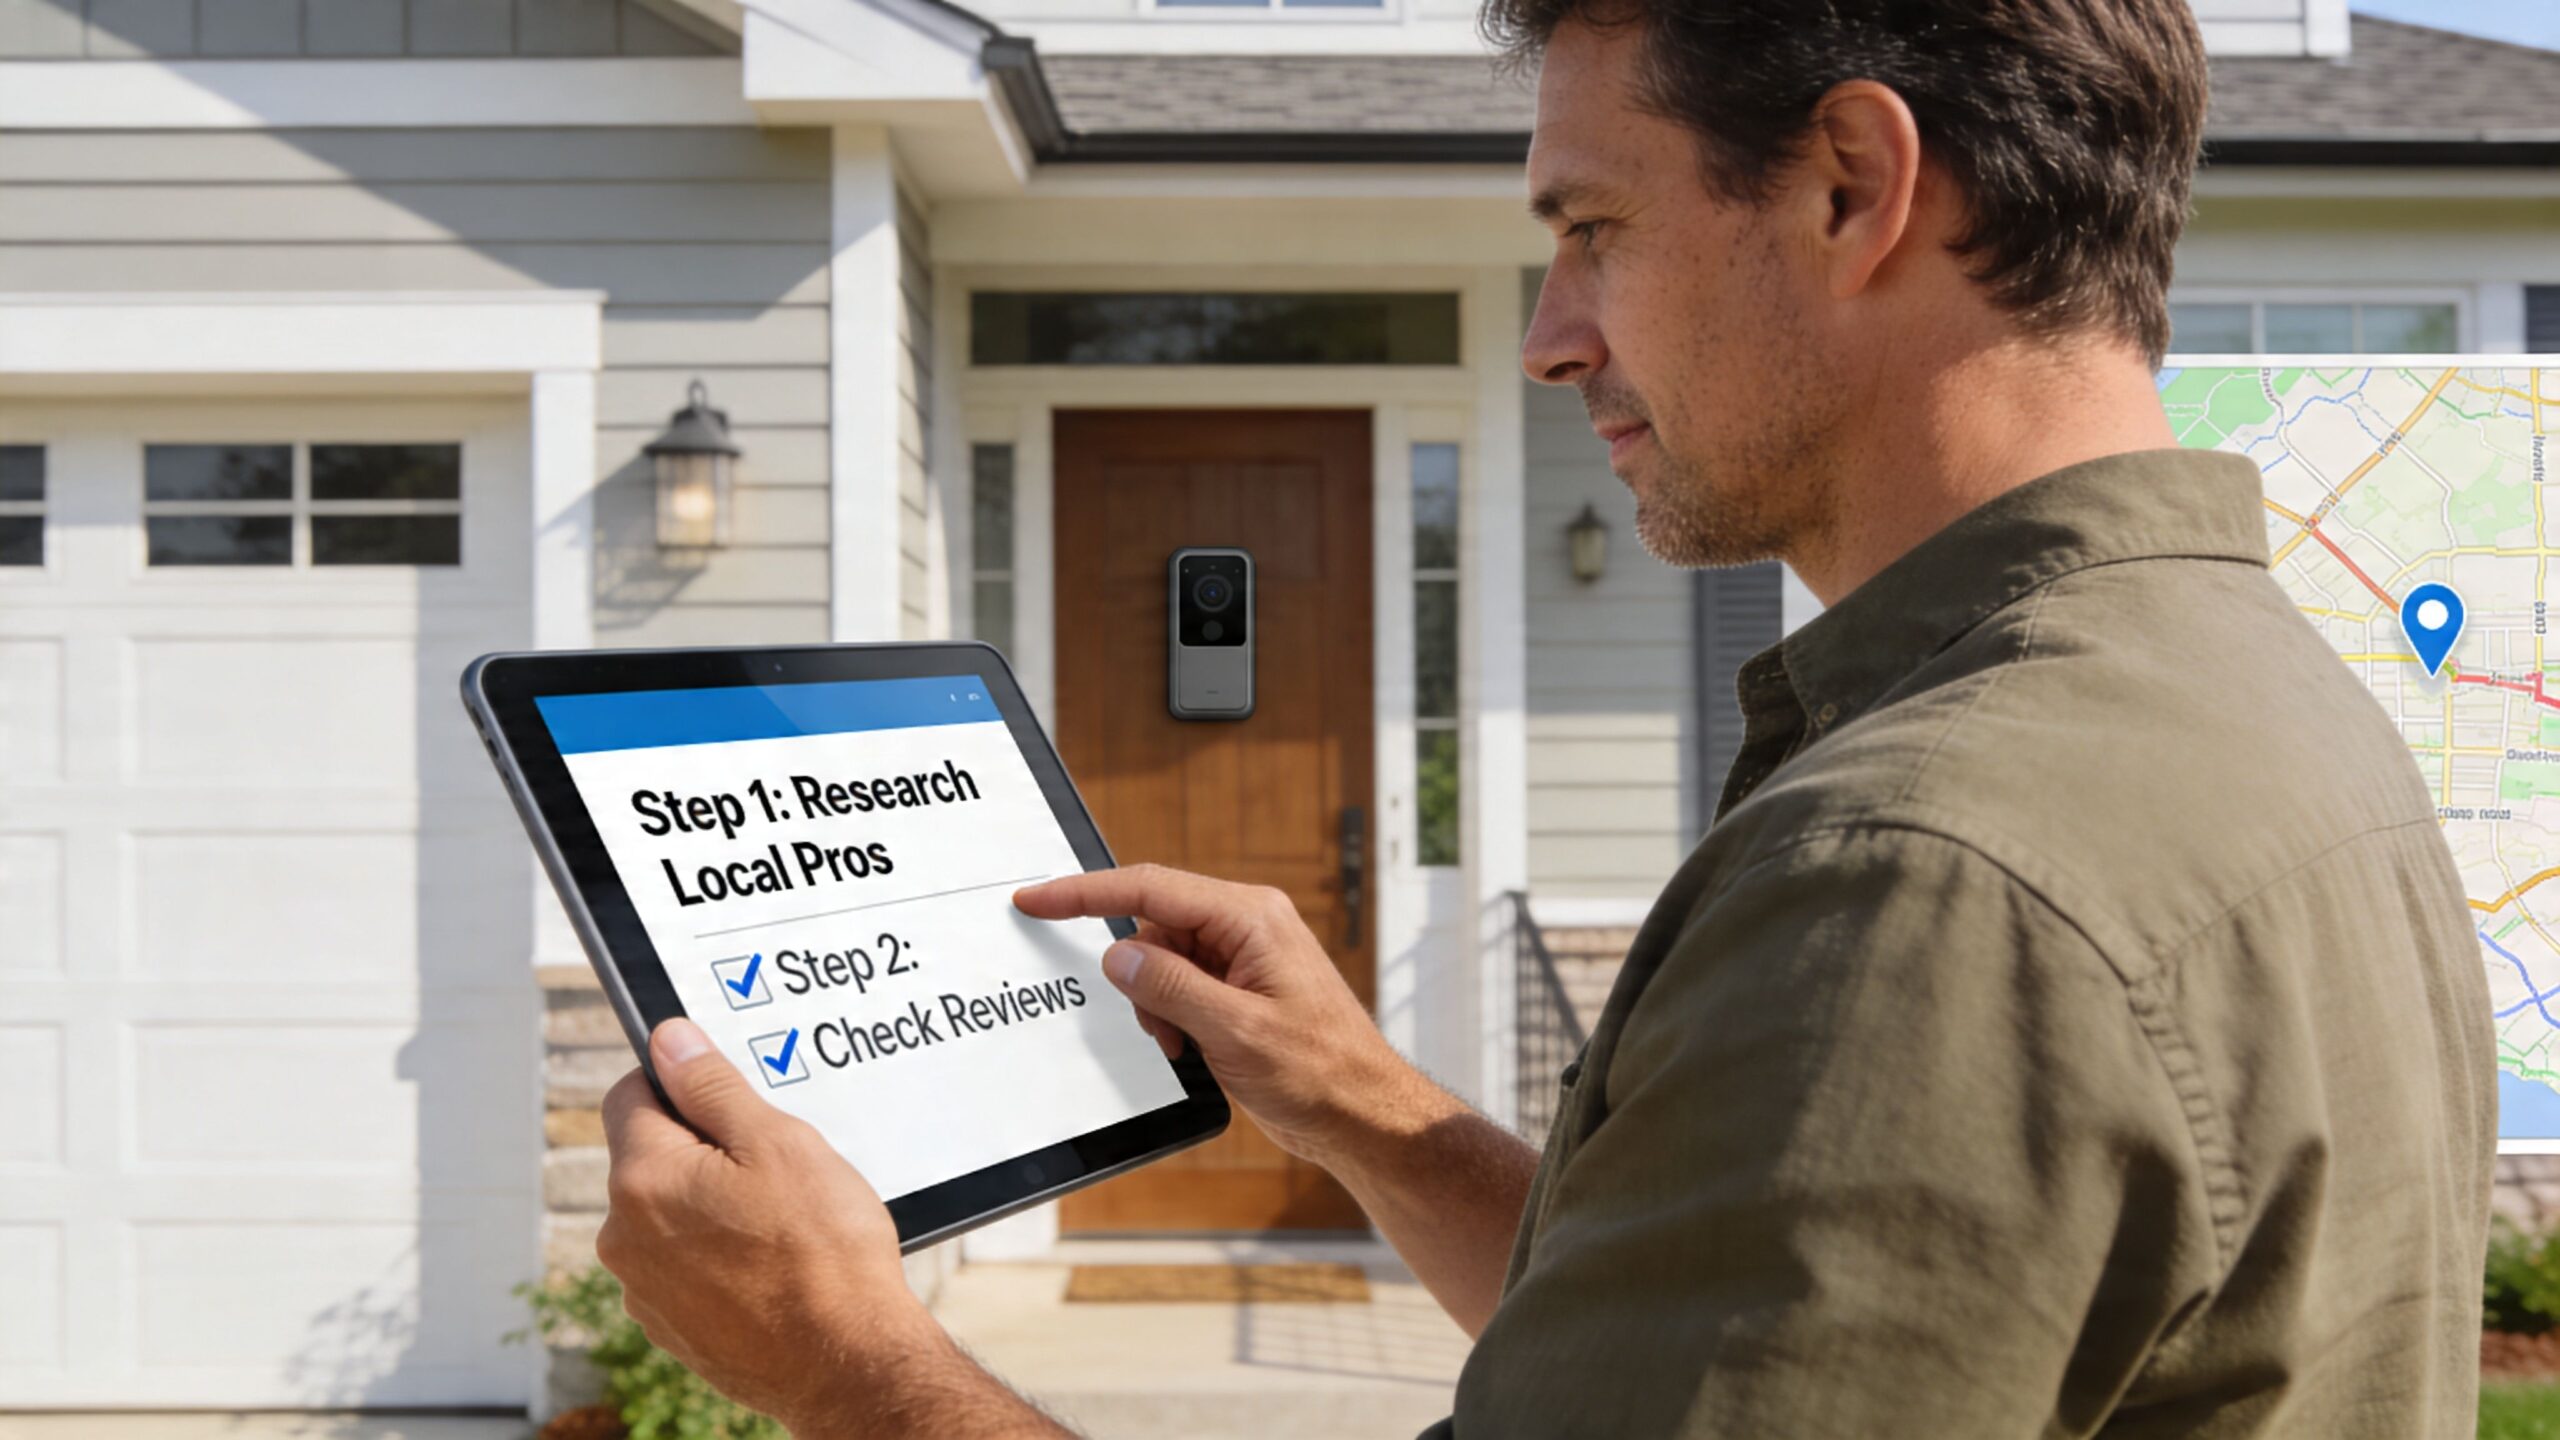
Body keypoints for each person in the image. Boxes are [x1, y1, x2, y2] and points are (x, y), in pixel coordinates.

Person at [593, 0, 2499, 1433]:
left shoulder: (1929, 874)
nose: (1549, 332)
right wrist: (1380, 1118)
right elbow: (1741, 1342)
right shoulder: (2269, 710)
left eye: (1593, 225)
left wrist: (844, 1360)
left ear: (1855, 184)